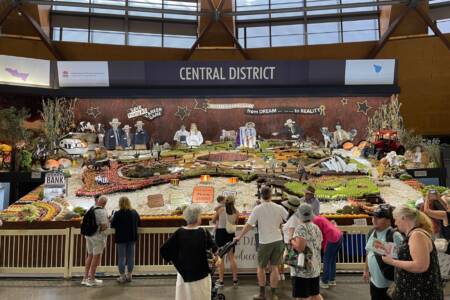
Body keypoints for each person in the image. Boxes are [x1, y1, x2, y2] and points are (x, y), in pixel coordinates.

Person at [235, 186, 288, 300]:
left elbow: (249, 225)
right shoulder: (279, 207)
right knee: (275, 268)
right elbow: (289, 220)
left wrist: (239, 236)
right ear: (271, 195)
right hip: (278, 240)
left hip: (264, 242)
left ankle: (262, 294)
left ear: (261, 196)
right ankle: (273, 295)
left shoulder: (258, 209)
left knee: (261, 268)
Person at [381, 205, 443, 300]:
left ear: (403, 218)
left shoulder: (417, 235)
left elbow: (420, 266)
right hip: (414, 291)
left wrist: (392, 262)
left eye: (396, 219)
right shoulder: (415, 234)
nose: (395, 223)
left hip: (419, 292)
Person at [160, 205, 217, 300]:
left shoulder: (179, 232)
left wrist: (178, 262)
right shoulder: (203, 232)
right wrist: (216, 258)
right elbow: (214, 248)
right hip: (201, 275)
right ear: (197, 217)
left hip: (184, 275)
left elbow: (164, 250)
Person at [363, 204, 403, 300]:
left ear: (389, 220)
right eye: (374, 217)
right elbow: (369, 253)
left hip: (387, 283)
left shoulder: (394, 235)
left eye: (379, 217)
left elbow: (403, 259)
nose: (374, 220)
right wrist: (365, 270)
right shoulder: (372, 231)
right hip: (374, 281)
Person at [290, 204, 324, 300]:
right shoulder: (315, 227)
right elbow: (319, 244)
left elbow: (300, 248)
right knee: (315, 294)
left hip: (303, 270)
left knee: (302, 297)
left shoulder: (301, 228)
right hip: (315, 267)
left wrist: (291, 240)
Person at [111, 196, 141, 283]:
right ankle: (130, 275)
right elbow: (139, 222)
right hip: (132, 237)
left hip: (121, 238)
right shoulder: (134, 212)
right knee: (131, 257)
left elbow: (113, 225)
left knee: (122, 257)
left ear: (120, 203)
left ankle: (122, 276)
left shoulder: (117, 213)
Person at [212, 195, 239, 288]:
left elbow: (213, 220)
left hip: (220, 234)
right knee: (232, 257)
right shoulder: (236, 212)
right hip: (230, 234)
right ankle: (235, 281)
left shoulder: (221, 210)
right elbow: (236, 223)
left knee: (221, 258)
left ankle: (221, 281)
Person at [82, 196, 109, 287]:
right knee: (96, 257)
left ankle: (85, 278)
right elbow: (104, 226)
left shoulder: (91, 208)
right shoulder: (102, 211)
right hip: (97, 237)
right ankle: (91, 279)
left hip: (88, 236)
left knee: (89, 255)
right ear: (104, 203)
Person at [313, 214, 343, 288]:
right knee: (332, 260)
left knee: (327, 260)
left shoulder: (314, 221)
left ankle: (325, 281)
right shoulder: (319, 217)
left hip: (332, 238)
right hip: (339, 235)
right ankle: (331, 280)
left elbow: (318, 235)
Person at [281, 195, 301, 280]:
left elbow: (290, 235)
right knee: (295, 267)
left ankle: (296, 287)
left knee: (293, 268)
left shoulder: (293, 218)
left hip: (291, 245)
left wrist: (287, 250)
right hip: (294, 244)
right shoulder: (296, 217)